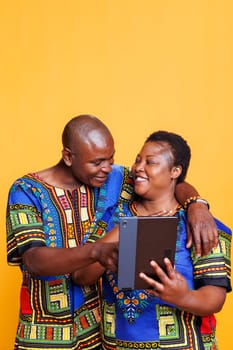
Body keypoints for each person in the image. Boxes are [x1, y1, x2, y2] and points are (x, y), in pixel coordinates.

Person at [6, 115, 217, 350]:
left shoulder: (113, 179)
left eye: (111, 158)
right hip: (45, 335)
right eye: (97, 162)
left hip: (101, 336)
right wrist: (96, 251)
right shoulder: (26, 191)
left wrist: (197, 205)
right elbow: (34, 261)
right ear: (68, 157)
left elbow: (168, 181)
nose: (106, 167)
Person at [73, 130, 231, 350]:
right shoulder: (113, 216)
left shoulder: (199, 226)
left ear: (175, 171)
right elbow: (81, 275)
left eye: (151, 162)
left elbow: (215, 299)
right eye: (138, 159)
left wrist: (183, 297)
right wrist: (126, 228)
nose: (138, 167)